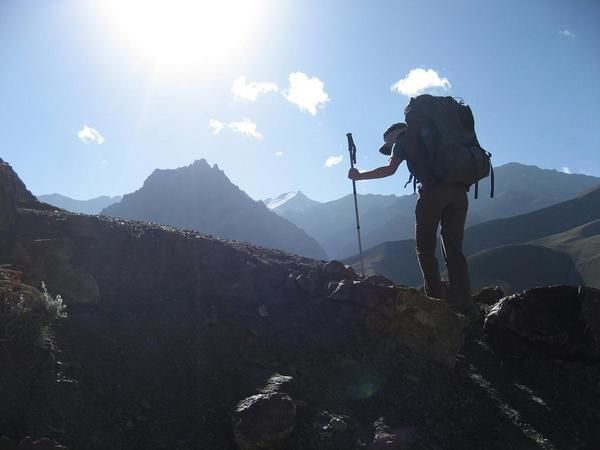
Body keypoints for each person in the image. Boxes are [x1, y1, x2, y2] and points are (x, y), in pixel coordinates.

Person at [347, 118, 473, 314]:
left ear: (392, 137)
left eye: (389, 145)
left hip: (432, 193)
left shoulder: (403, 141)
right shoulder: (437, 134)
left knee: (425, 249)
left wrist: (359, 176)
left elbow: (390, 170)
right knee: (454, 249)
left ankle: (435, 303)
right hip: (459, 191)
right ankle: (464, 302)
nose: (391, 148)